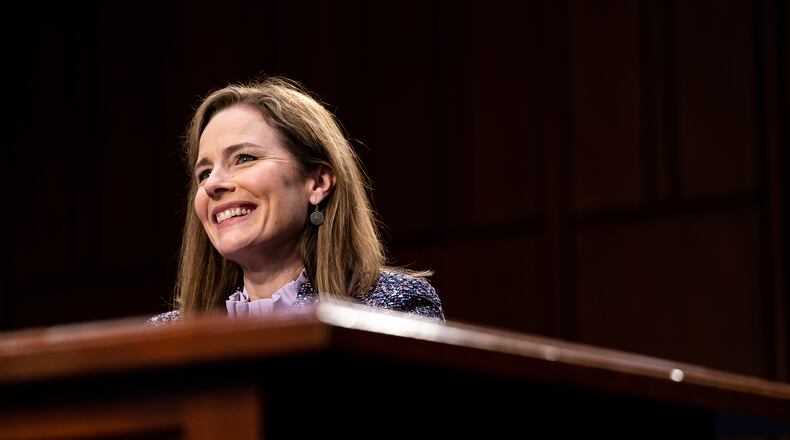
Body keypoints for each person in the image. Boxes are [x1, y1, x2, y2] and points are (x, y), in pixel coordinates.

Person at [147, 77, 444, 326]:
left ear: (317, 183)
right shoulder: (163, 335)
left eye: (244, 158)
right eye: (205, 172)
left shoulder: (391, 308)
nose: (212, 184)